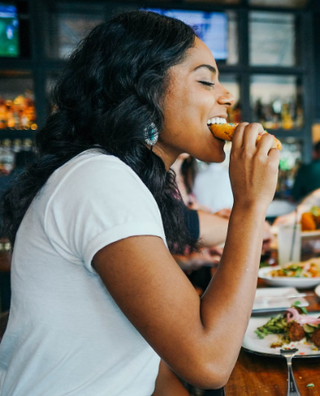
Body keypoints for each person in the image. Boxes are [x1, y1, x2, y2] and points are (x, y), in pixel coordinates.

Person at [0, 11, 279, 396]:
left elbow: (151, 364)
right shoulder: (100, 180)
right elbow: (210, 362)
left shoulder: (123, 179)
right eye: (205, 80)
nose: (226, 96)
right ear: (144, 90)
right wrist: (250, 205)